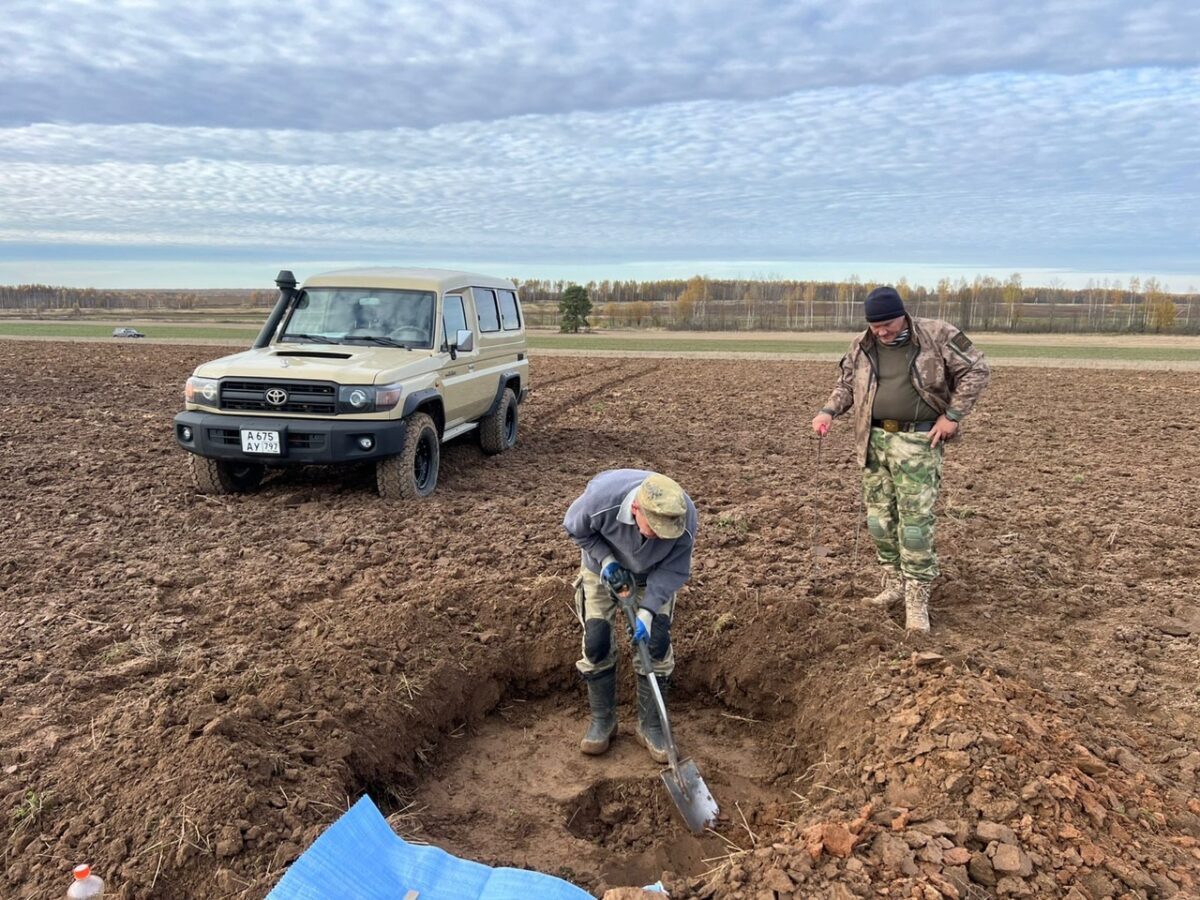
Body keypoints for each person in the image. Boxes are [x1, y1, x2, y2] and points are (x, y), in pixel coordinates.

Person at [811, 286, 990, 633]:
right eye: (875, 326)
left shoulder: (938, 334)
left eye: (887, 325)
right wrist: (828, 412)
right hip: (873, 441)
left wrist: (952, 415)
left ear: (902, 315)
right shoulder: (862, 345)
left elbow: (977, 369)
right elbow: (846, 385)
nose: (881, 332)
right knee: (879, 521)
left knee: (914, 524)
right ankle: (893, 585)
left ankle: (917, 599)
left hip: (917, 440)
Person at [563, 469, 697, 762]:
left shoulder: (683, 515)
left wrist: (648, 611)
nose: (662, 536)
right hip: (601, 571)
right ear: (636, 509)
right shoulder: (602, 499)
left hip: (653, 577)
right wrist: (608, 561)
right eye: (655, 528)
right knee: (596, 641)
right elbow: (575, 528)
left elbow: (675, 568)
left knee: (656, 643)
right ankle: (603, 721)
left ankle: (650, 726)